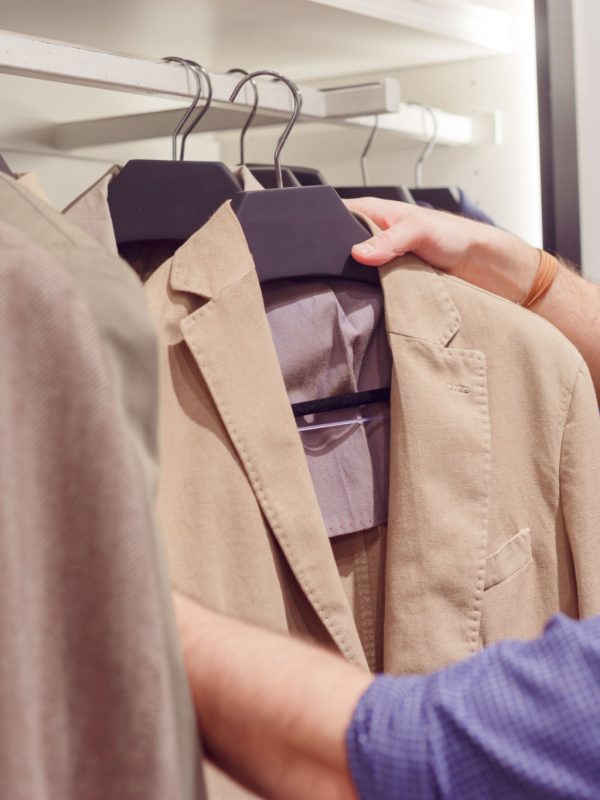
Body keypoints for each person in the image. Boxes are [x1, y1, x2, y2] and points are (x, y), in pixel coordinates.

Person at [173, 197, 600, 800]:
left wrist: (135, 615)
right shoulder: (124, 382)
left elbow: (404, 748)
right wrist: (535, 278)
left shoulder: (538, 373)